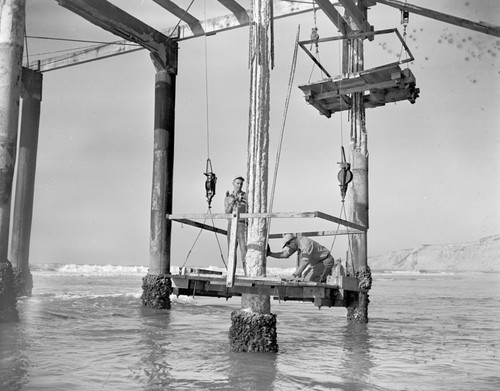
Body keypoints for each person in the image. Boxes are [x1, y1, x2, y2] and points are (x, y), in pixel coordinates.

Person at [267, 233, 341, 283]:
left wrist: (294, 275)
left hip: (325, 261)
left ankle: (325, 279)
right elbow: (285, 254)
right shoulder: (296, 243)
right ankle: (323, 277)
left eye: (288, 245)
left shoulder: (305, 244)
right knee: (304, 277)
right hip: (317, 264)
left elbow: (305, 262)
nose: (288, 247)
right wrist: (270, 254)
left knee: (309, 280)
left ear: (291, 242)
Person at [224, 176, 247, 270]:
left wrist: (242, 200)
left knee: (244, 250)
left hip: (242, 224)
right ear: (233, 183)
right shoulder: (228, 197)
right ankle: (231, 273)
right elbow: (227, 212)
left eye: (241, 184)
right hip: (231, 224)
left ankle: (247, 272)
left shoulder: (246, 196)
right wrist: (232, 202)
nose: (239, 185)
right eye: (237, 183)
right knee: (231, 250)